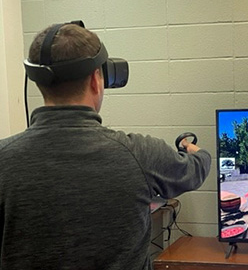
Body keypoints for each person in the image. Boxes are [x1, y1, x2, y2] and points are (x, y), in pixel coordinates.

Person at [0, 23, 211, 269]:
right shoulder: (139, 154)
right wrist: (191, 147)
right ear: (96, 79)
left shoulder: (3, 160)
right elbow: (197, 169)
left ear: (38, 82)